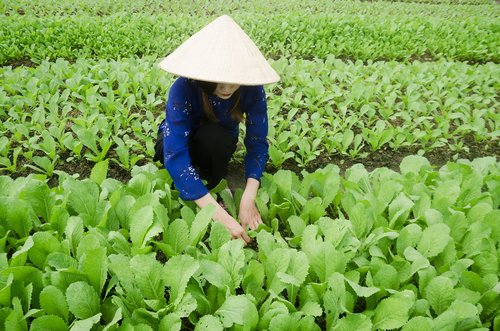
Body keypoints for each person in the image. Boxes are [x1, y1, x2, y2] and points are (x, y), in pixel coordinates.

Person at [153, 15, 280, 244]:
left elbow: (257, 143)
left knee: (214, 139)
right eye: (218, 80)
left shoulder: (251, 90)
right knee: (167, 151)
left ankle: (213, 182)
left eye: (233, 80)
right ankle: (202, 192)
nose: (226, 88)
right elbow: (175, 153)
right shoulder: (183, 88)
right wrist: (217, 214)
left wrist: (248, 196)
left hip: (216, 140)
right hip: (178, 141)